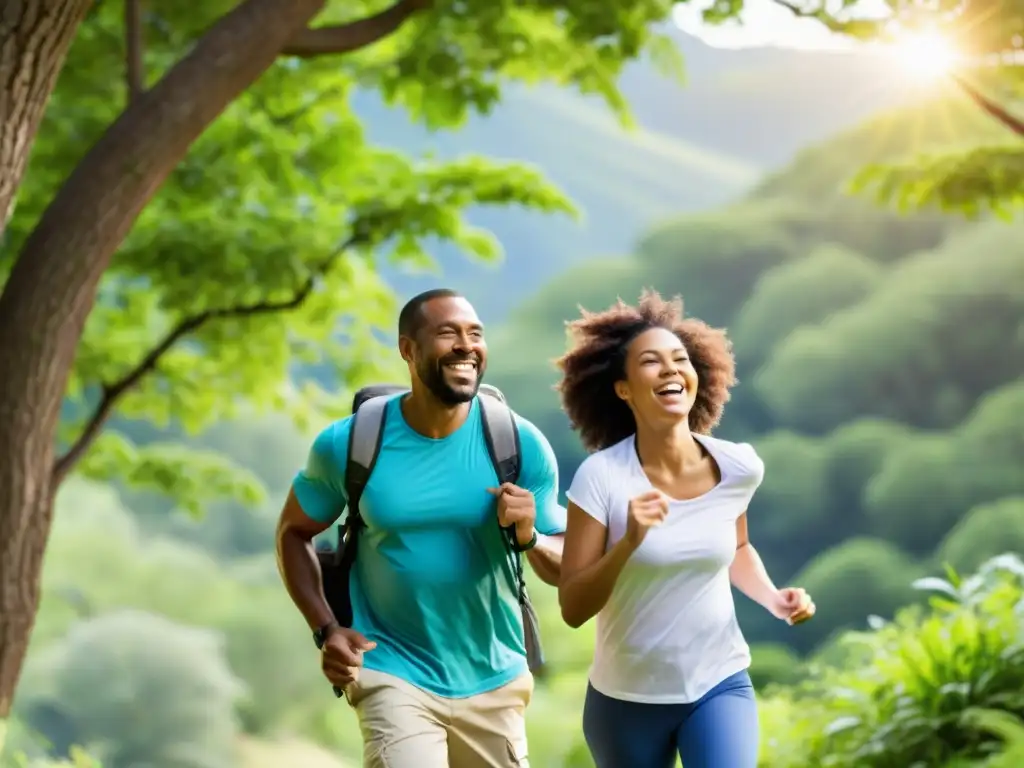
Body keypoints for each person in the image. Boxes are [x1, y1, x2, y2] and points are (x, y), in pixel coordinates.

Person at [275, 288, 565, 768]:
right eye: (447, 333)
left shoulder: (517, 443)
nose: (465, 345)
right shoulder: (350, 444)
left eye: (475, 334)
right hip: (391, 669)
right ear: (408, 349)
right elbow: (293, 532)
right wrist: (326, 628)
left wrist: (530, 535)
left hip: (494, 677)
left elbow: (562, 566)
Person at [555, 290, 815, 768]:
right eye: (651, 362)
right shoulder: (602, 478)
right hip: (626, 700)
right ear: (623, 389)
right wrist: (629, 542)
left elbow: (735, 546)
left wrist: (775, 599)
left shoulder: (737, 466)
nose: (671, 369)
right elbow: (573, 606)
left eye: (680, 359)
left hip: (718, 681)